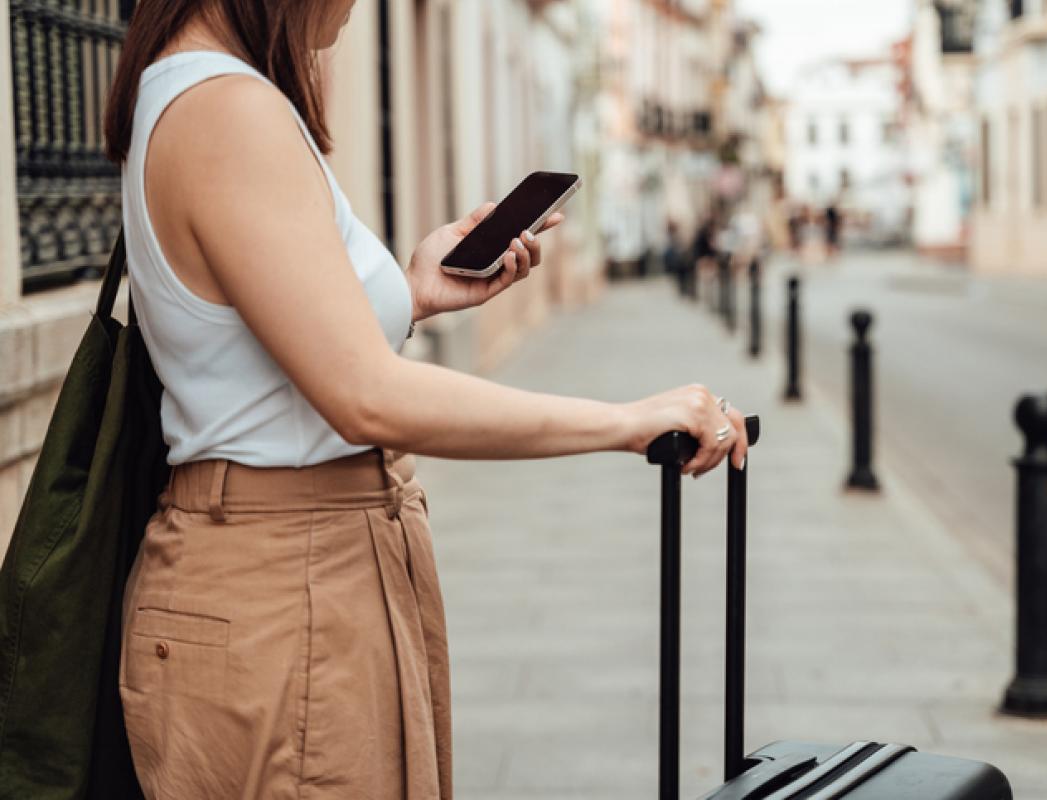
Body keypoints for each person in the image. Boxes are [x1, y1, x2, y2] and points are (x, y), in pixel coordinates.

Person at [102, 2, 750, 797]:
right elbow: (364, 399)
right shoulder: (226, 108)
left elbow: (272, 359)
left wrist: (409, 295)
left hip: (299, 577)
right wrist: (624, 422)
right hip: (282, 586)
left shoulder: (203, 92)